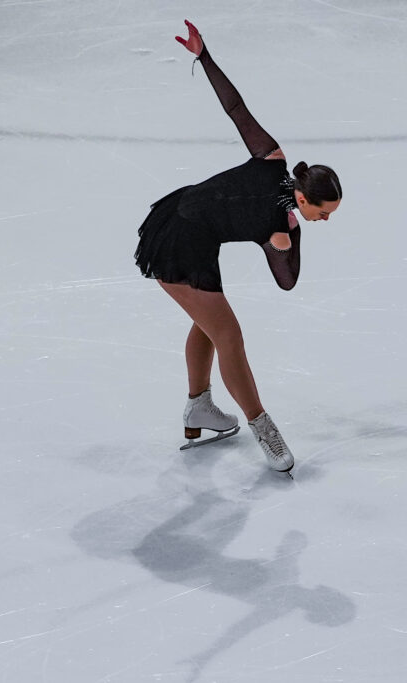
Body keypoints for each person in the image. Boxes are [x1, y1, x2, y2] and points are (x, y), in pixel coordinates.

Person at [134, 20, 342, 473]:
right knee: (228, 335)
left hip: (194, 231)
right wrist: (204, 57)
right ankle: (263, 429)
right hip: (176, 237)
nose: (325, 220)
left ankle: (199, 408)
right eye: (323, 212)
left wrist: (286, 240)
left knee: (209, 322)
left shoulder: (276, 173)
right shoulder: (274, 186)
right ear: (304, 197)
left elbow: (287, 281)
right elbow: (235, 106)